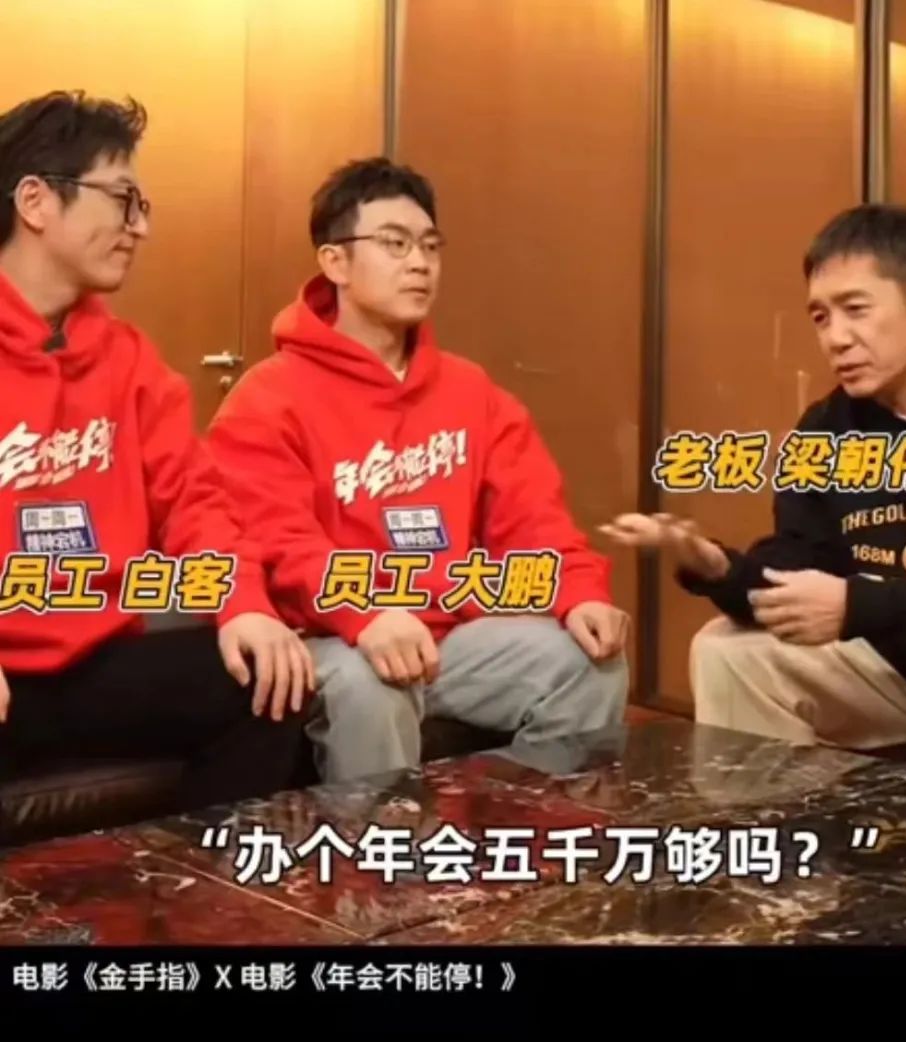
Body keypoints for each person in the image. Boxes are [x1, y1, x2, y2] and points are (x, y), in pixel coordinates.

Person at [602, 203, 906, 799]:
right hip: (890, 669)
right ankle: (783, 853)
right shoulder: (826, 427)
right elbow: (799, 564)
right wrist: (716, 566)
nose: (835, 338)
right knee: (727, 650)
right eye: (820, 317)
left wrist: (860, 605)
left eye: (856, 309)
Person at [206, 157, 629, 782]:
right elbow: (277, 541)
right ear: (335, 262)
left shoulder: (470, 391)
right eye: (394, 244)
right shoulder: (268, 397)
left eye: (430, 246)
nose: (419, 263)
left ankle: (519, 832)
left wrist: (578, 593)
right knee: (371, 684)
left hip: (448, 637)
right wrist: (365, 614)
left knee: (589, 663)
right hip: (330, 636)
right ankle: (380, 847)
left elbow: (533, 516)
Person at [0, 91, 313, 819]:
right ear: (36, 201)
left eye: (140, 205)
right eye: (122, 199)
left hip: (94, 657)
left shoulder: (128, 359)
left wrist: (244, 605)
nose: (138, 226)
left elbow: (195, 503)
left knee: (267, 682)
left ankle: (193, 885)